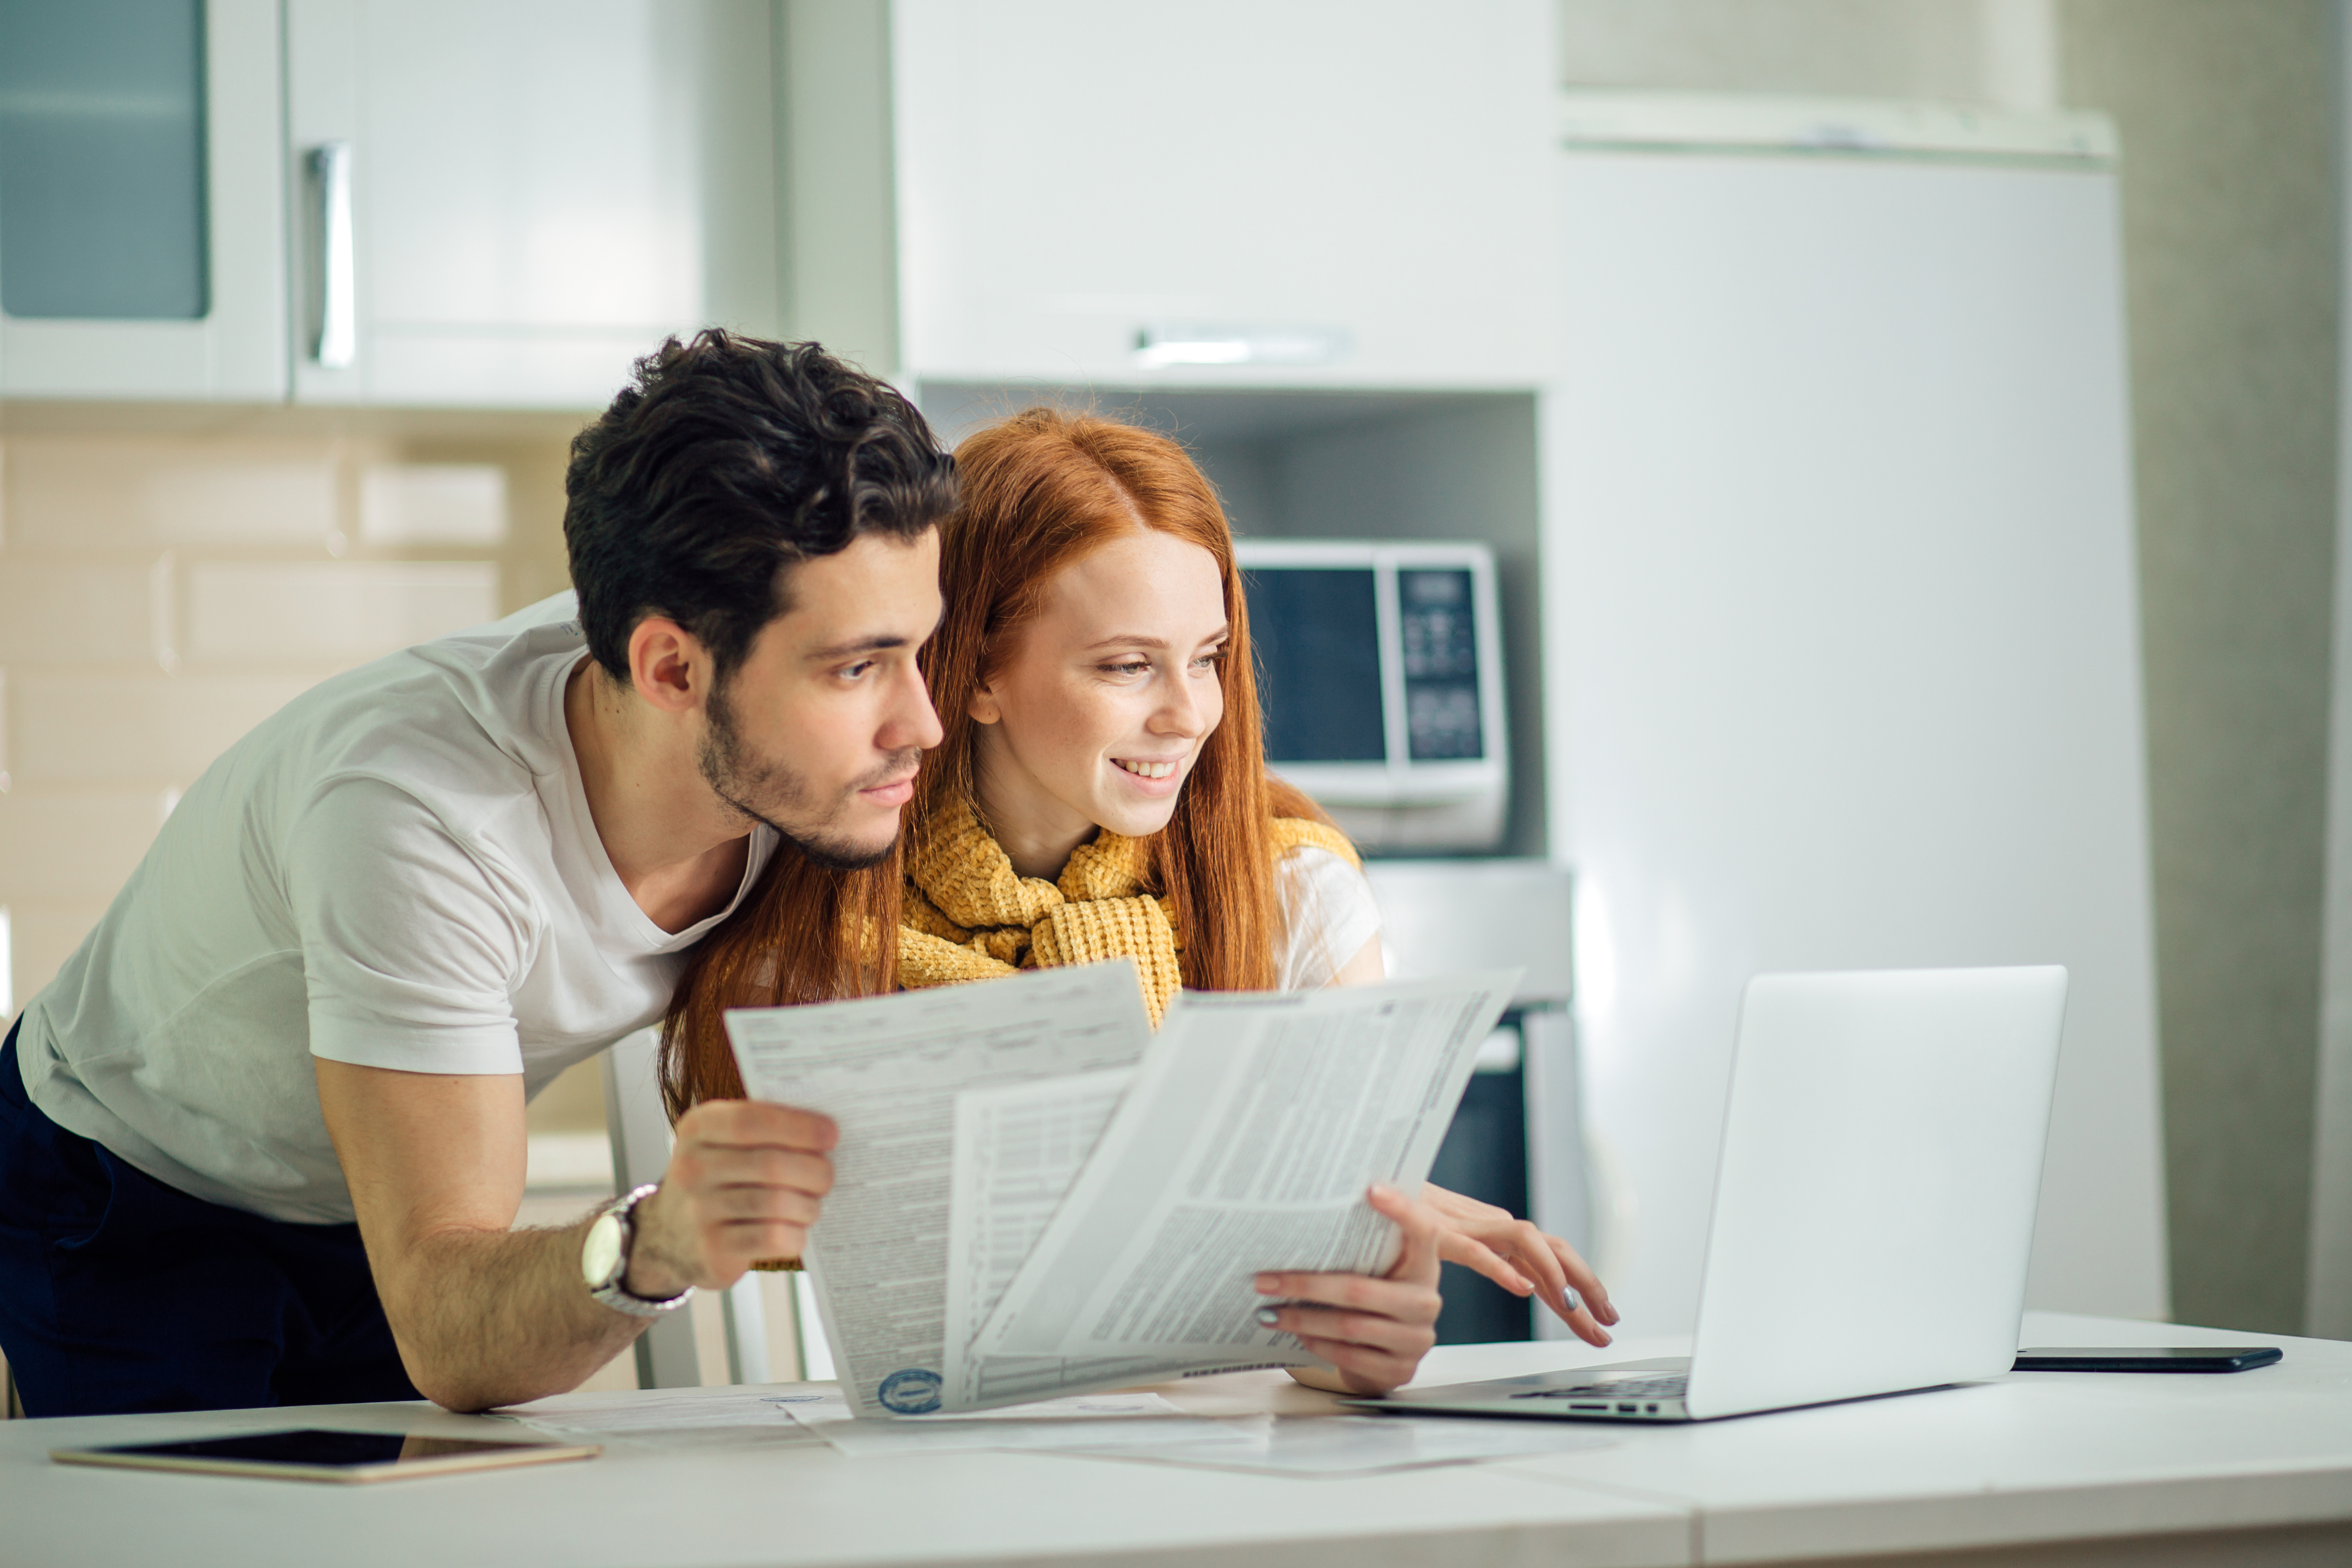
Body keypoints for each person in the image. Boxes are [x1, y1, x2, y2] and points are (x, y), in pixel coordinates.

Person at [0, 333, 953, 1416]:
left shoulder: (799, 751)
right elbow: (452, 1331)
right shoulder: (420, 818)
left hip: (387, 1206)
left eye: (914, 650)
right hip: (135, 1186)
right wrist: (658, 1240)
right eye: (859, 667)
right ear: (671, 668)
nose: (918, 721)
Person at [665, 408, 1618, 1396]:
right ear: (977, 669)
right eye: (1127, 665)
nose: (1189, 712)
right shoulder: (823, 929)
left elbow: (1318, 1329)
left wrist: (1358, 1344)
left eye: (1206, 656)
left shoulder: (1292, 892)